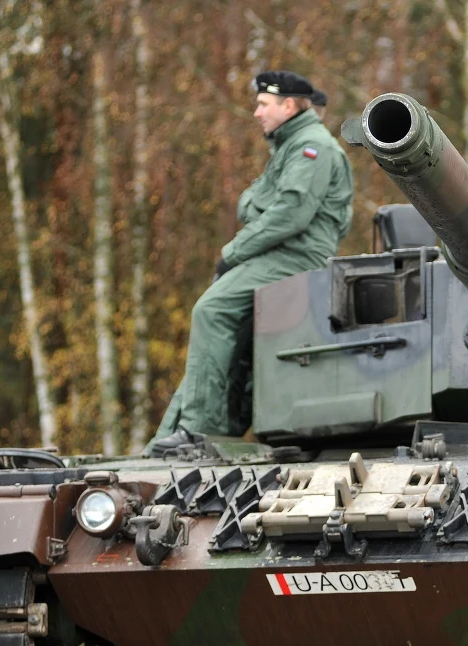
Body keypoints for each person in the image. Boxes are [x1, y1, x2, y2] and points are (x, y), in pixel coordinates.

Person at [150, 71, 353, 455]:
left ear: (288, 105)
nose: (256, 112)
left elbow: (290, 213)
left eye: (263, 104)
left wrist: (233, 252)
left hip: (298, 255)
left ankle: (198, 430)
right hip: (282, 251)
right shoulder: (290, 148)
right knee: (226, 323)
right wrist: (263, 212)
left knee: (212, 310)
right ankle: (177, 433)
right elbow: (249, 202)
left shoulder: (312, 147)